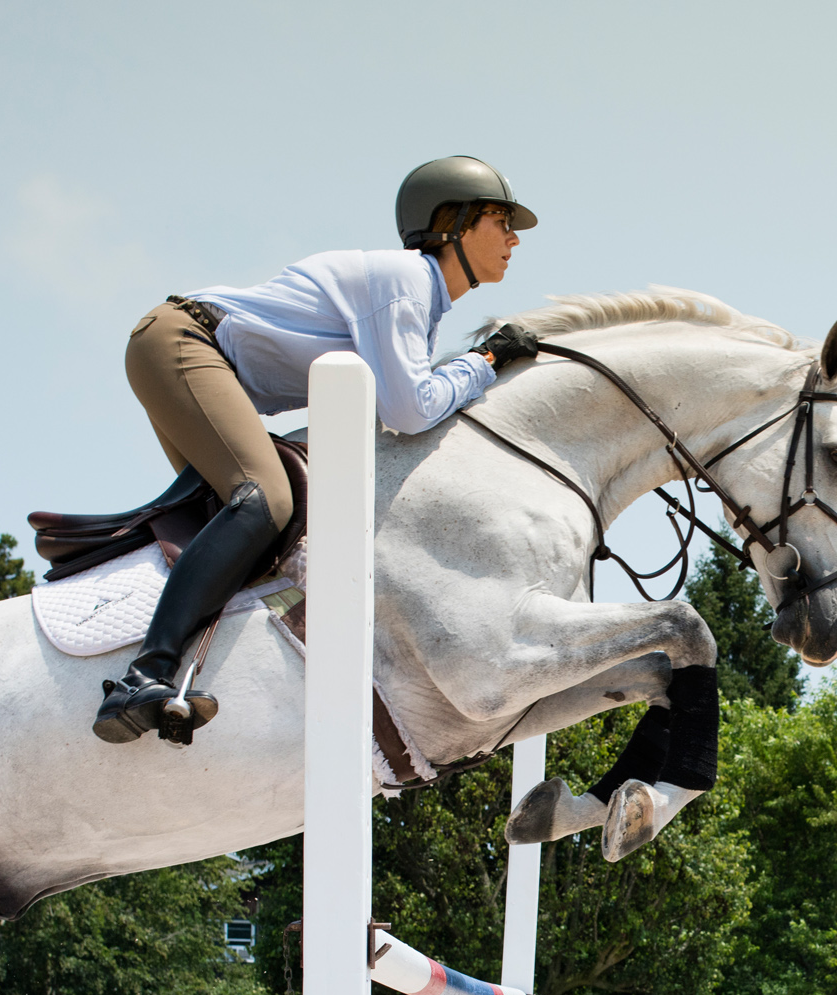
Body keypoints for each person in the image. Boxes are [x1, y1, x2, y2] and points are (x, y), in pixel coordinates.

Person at [94, 156, 546, 743]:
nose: (514, 238)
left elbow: (396, 408)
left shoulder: (419, 302)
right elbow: (409, 411)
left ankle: (170, 677)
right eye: (499, 219)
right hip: (183, 340)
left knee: (243, 537)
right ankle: (143, 674)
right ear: (452, 222)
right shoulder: (407, 280)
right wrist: (485, 362)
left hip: (192, 353)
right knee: (262, 503)